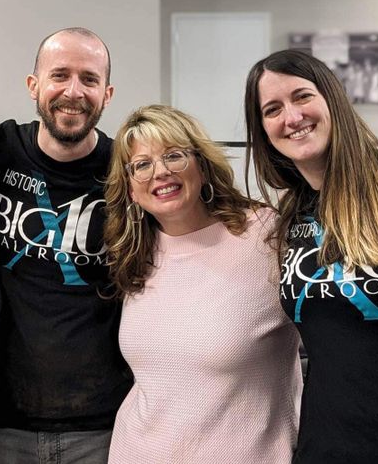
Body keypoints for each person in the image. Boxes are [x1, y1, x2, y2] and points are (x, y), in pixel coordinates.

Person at [244, 49, 378, 464]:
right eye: (272, 109)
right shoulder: (290, 216)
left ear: (332, 98)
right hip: (327, 443)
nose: (292, 118)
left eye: (302, 97)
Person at [103, 105, 302, 464]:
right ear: (131, 189)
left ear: (201, 164)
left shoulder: (266, 235)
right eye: (142, 165)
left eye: (174, 156)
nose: (160, 172)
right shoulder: (136, 253)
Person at [0, 28, 132, 464]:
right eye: (60, 75)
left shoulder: (127, 171)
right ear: (34, 86)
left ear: (107, 93)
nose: (73, 91)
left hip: (105, 422)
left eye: (89, 79)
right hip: (7, 420)